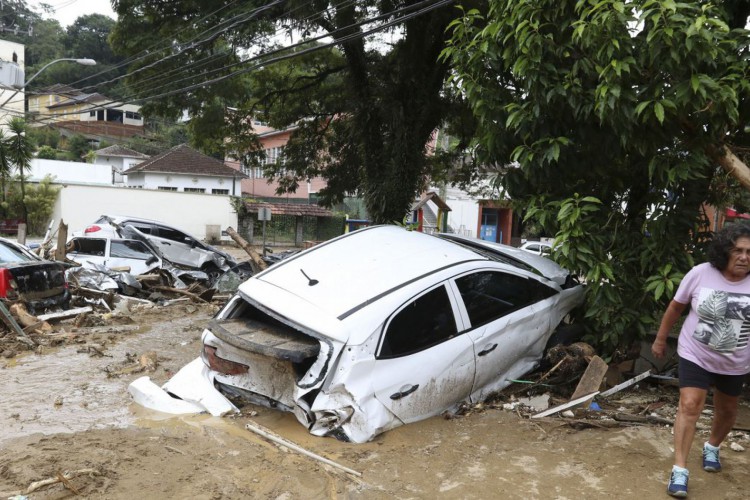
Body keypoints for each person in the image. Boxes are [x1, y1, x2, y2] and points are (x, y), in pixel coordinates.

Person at [652, 222, 750, 497]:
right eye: (738, 250)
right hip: (696, 353)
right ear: (724, 251)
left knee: (728, 412)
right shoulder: (700, 274)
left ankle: (713, 446)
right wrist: (660, 339)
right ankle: (680, 469)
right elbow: (675, 307)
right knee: (690, 405)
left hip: (735, 361)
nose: (744, 257)